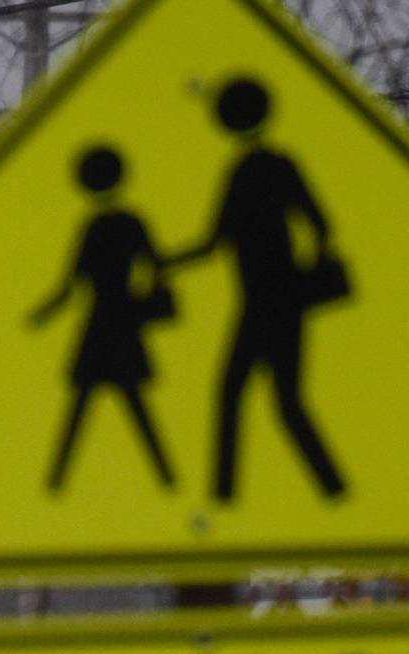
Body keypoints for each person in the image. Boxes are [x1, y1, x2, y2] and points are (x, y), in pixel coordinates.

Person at [168, 76, 347, 503]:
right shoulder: (273, 166)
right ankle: (329, 488)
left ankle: (229, 497)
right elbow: (320, 224)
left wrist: (166, 263)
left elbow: (214, 242)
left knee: (245, 396)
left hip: (269, 302)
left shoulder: (247, 171)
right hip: (277, 301)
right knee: (277, 401)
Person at [29, 145, 177, 494]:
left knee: (97, 406)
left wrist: (40, 316)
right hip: (119, 322)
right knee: (112, 405)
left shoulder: (98, 226)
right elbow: (157, 266)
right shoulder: (126, 223)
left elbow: (71, 285)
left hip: (104, 324)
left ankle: (56, 484)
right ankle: (166, 479)